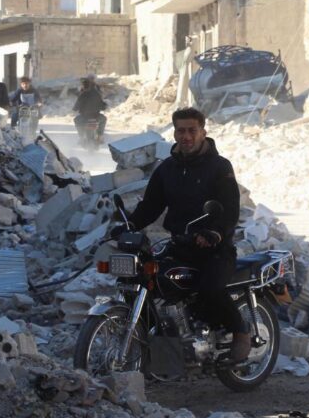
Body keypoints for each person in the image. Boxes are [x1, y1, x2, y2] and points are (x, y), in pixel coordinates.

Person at [120, 107, 251, 362]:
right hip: (180, 245)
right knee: (146, 281)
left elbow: (230, 209)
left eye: (192, 130)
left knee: (210, 288)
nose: (186, 136)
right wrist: (128, 225)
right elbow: (150, 206)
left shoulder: (219, 167)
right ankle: (158, 350)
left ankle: (240, 332)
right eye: (181, 130)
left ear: (203, 132)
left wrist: (215, 232)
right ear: (174, 133)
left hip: (214, 249)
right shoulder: (166, 169)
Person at [72, 76, 106, 143]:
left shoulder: (82, 95)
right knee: (104, 119)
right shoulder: (97, 94)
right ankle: (100, 136)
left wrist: (74, 109)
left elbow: (76, 107)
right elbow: (103, 106)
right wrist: (104, 107)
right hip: (96, 117)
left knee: (76, 120)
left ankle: (81, 137)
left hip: (84, 118)